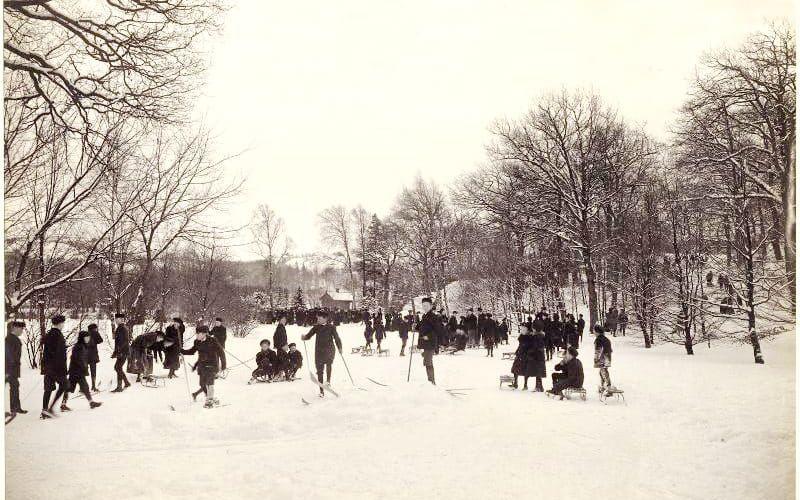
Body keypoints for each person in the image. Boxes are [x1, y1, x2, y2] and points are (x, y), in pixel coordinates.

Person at [181, 325, 226, 408]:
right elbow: (192, 351)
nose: (196, 335)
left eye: (198, 334)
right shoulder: (197, 342)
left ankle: (209, 401)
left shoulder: (212, 341)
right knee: (202, 384)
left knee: (210, 383)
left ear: (204, 334)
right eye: (196, 333)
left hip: (212, 365)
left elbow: (221, 352)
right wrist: (182, 351)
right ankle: (211, 398)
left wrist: (223, 365)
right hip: (202, 366)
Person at [301, 310, 342, 397]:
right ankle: (321, 390)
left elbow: (337, 338)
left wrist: (340, 348)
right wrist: (304, 337)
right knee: (319, 371)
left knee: (328, 364)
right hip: (319, 351)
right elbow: (309, 336)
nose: (318, 320)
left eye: (319, 318)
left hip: (329, 350)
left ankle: (328, 381)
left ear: (325, 318)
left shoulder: (331, 327)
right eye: (317, 318)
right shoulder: (316, 327)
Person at [62, 331, 103, 411]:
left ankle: (64, 404)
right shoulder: (79, 347)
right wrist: (84, 367)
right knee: (75, 387)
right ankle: (91, 402)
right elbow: (77, 359)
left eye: (89, 337)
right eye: (86, 337)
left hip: (77, 371)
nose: (88, 339)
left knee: (79, 387)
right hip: (76, 371)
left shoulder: (83, 346)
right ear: (82, 338)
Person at [41, 315, 68, 419]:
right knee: (65, 384)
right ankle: (50, 408)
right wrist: (62, 369)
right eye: (63, 323)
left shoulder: (50, 334)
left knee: (48, 388)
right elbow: (58, 353)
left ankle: (44, 410)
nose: (63, 325)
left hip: (48, 366)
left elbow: (49, 349)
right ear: (60, 323)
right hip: (56, 367)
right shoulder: (57, 335)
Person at [417, 297, 443, 385]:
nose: (425, 307)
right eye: (423, 305)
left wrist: (428, 336)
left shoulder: (433, 317)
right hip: (425, 343)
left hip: (431, 342)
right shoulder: (424, 316)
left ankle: (432, 382)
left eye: (427, 305)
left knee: (428, 362)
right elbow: (421, 328)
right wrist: (415, 326)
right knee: (427, 362)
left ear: (431, 306)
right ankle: (430, 381)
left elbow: (437, 330)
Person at [6, 320, 26, 415]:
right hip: (10, 369)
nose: (22, 330)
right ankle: (15, 408)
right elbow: (7, 355)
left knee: (15, 386)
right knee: (14, 386)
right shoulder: (10, 339)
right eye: (21, 328)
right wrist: (8, 369)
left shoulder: (13, 338)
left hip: (12, 369)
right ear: (15, 328)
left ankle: (15, 408)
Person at [110, 313, 131, 393]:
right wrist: (115, 352)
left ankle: (120, 386)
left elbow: (124, 342)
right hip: (121, 351)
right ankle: (126, 383)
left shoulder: (123, 328)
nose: (115, 320)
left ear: (121, 319)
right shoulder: (120, 328)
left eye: (117, 319)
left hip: (123, 352)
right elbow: (118, 342)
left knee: (117, 367)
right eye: (115, 319)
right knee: (118, 367)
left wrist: (118, 351)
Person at [509, 324, 533, 390]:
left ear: (527, 330)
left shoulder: (530, 337)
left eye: (524, 329)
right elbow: (520, 345)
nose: (522, 330)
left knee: (525, 370)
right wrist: (517, 351)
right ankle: (515, 383)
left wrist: (529, 353)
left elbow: (531, 346)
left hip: (526, 355)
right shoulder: (522, 336)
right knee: (515, 369)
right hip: (520, 354)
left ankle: (525, 385)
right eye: (522, 329)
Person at [593, 324, 614, 396]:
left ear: (597, 331)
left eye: (594, 331)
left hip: (603, 358)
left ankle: (608, 388)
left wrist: (596, 359)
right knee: (602, 372)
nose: (593, 332)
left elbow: (598, 351)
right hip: (608, 357)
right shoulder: (605, 338)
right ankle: (603, 387)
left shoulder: (598, 339)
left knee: (604, 373)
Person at [85, 323, 103, 392]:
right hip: (93, 355)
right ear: (94, 328)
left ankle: (82, 387)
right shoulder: (95, 333)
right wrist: (97, 333)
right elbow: (101, 340)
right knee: (93, 371)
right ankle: (93, 386)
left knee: (84, 371)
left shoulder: (86, 334)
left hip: (85, 355)